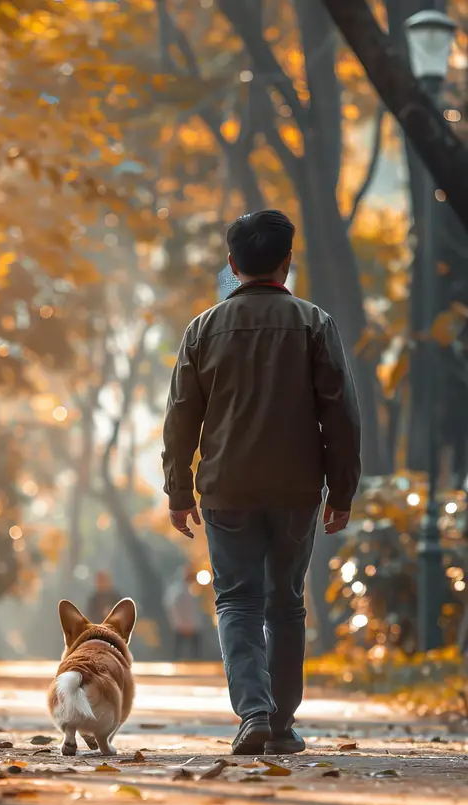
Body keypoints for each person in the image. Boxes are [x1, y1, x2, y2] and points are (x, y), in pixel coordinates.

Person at [161, 209, 361, 756]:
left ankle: (253, 711)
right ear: (286, 262)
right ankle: (280, 723)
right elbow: (340, 414)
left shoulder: (202, 330)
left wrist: (179, 491)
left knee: (236, 602)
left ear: (233, 265)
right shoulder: (314, 323)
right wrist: (341, 491)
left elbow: (181, 417)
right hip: (298, 488)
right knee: (286, 603)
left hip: (227, 489)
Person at [163, 566, 204, 661]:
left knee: (195, 648)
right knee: (179, 648)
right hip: (181, 625)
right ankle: (177, 661)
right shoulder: (177, 591)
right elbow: (174, 608)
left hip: (192, 624)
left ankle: (195, 661)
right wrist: (178, 623)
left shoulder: (192, 590)